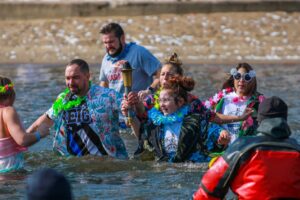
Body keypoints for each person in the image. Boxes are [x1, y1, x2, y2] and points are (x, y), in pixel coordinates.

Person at [193, 96, 300, 199]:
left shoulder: (242, 147)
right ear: (285, 120)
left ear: (259, 120)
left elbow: (206, 191)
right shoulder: (297, 149)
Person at [26, 59, 128, 159]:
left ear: (88, 76)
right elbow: (42, 122)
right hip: (74, 166)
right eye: (67, 78)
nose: (71, 82)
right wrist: (19, 142)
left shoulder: (107, 95)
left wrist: (129, 107)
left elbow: (130, 109)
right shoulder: (63, 99)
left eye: (75, 77)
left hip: (107, 165)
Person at [124, 75, 230, 163]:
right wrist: (131, 116)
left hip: (189, 165)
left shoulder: (194, 120)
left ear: (179, 102)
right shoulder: (156, 124)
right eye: (160, 100)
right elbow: (142, 135)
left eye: (165, 100)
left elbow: (211, 129)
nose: (161, 104)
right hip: (165, 167)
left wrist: (222, 133)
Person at [204, 63, 265, 144]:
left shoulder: (259, 102)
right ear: (233, 78)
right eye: (238, 76)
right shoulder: (223, 98)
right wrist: (220, 132)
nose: (241, 80)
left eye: (246, 77)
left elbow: (264, 128)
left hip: (247, 149)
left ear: (251, 81)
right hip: (224, 150)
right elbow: (211, 122)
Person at [0, 76, 49, 173]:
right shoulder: (7, 111)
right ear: (11, 95)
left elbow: (8, 141)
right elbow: (22, 140)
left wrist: (32, 128)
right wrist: (40, 133)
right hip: (10, 173)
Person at [99, 22, 161, 94]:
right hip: (116, 104)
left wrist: (149, 91)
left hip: (139, 103)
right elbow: (104, 84)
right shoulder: (106, 59)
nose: (108, 46)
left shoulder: (139, 52)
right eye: (105, 43)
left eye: (111, 41)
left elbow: (160, 73)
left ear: (122, 38)